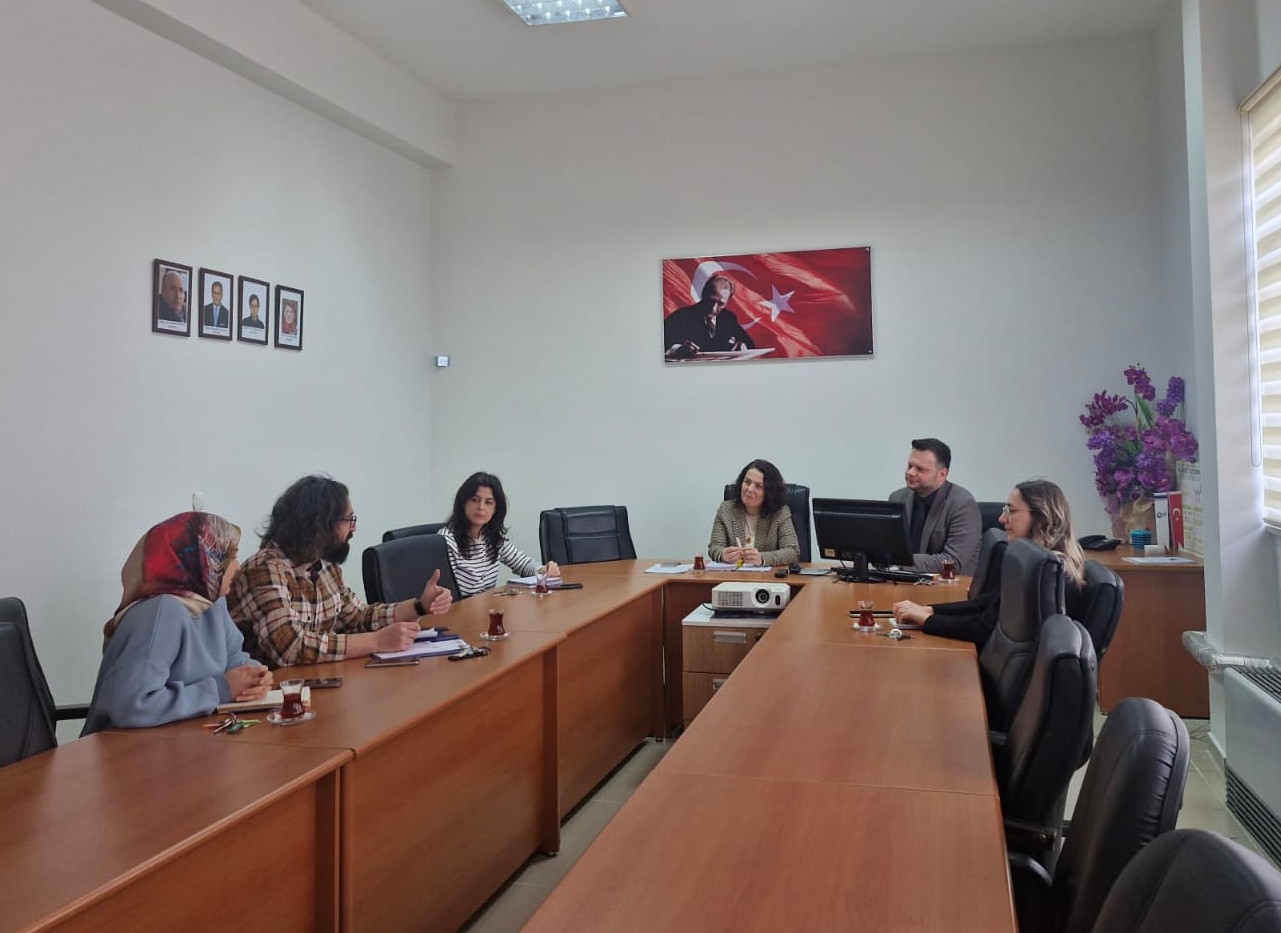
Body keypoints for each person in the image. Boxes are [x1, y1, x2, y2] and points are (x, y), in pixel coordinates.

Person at [228, 475, 452, 668]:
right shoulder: (264, 570)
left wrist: (419, 605)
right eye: (348, 520)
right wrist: (376, 641)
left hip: (315, 681)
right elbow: (291, 648)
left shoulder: (325, 565)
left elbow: (358, 618)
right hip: (272, 693)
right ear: (319, 525)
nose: (353, 528)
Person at [81, 512, 273, 734]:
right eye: (227, 557)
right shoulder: (161, 610)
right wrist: (222, 688)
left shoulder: (211, 602)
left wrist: (255, 677)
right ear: (202, 561)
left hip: (182, 738)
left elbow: (233, 657)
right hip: (124, 746)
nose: (237, 566)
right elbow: (131, 706)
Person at [891, 479, 1085, 648]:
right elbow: (985, 604)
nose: (1002, 519)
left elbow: (984, 628)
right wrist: (930, 610)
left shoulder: (1045, 572)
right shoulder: (1034, 563)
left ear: (1041, 518)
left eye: (1011, 511)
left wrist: (928, 620)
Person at [440, 472, 559, 597]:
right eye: (475, 500)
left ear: (495, 509)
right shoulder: (447, 542)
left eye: (488, 502)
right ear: (463, 503)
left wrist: (543, 570)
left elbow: (523, 564)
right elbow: (445, 593)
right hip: (461, 608)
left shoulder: (493, 538)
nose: (481, 507)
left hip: (487, 606)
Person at [888, 437, 982, 575]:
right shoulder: (897, 498)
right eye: (910, 465)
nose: (910, 472)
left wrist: (900, 561)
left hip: (947, 584)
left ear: (941, 474)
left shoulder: (963, 505)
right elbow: (888, 547)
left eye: (920, 469)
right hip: (903, 580)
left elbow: (952, 561)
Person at [708, 459, 800, 566]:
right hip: (735, 574)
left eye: (758, 486)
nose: (750, 489)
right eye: (747, 482)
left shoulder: (780, 513)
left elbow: (792, 551)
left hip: (768, 576)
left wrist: (762, 558)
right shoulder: (726, 510)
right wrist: (722, 555)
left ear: (769, 492)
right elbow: (715, 547)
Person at [663, 273, 754, 360]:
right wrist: (677, 349)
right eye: (711, 301)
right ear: (703, 294)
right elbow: (660, 345)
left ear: (727, 302)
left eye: (721, 304)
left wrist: (743, 345)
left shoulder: (729, 318)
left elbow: (750, 344)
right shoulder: (680, 317)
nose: (713, 308)